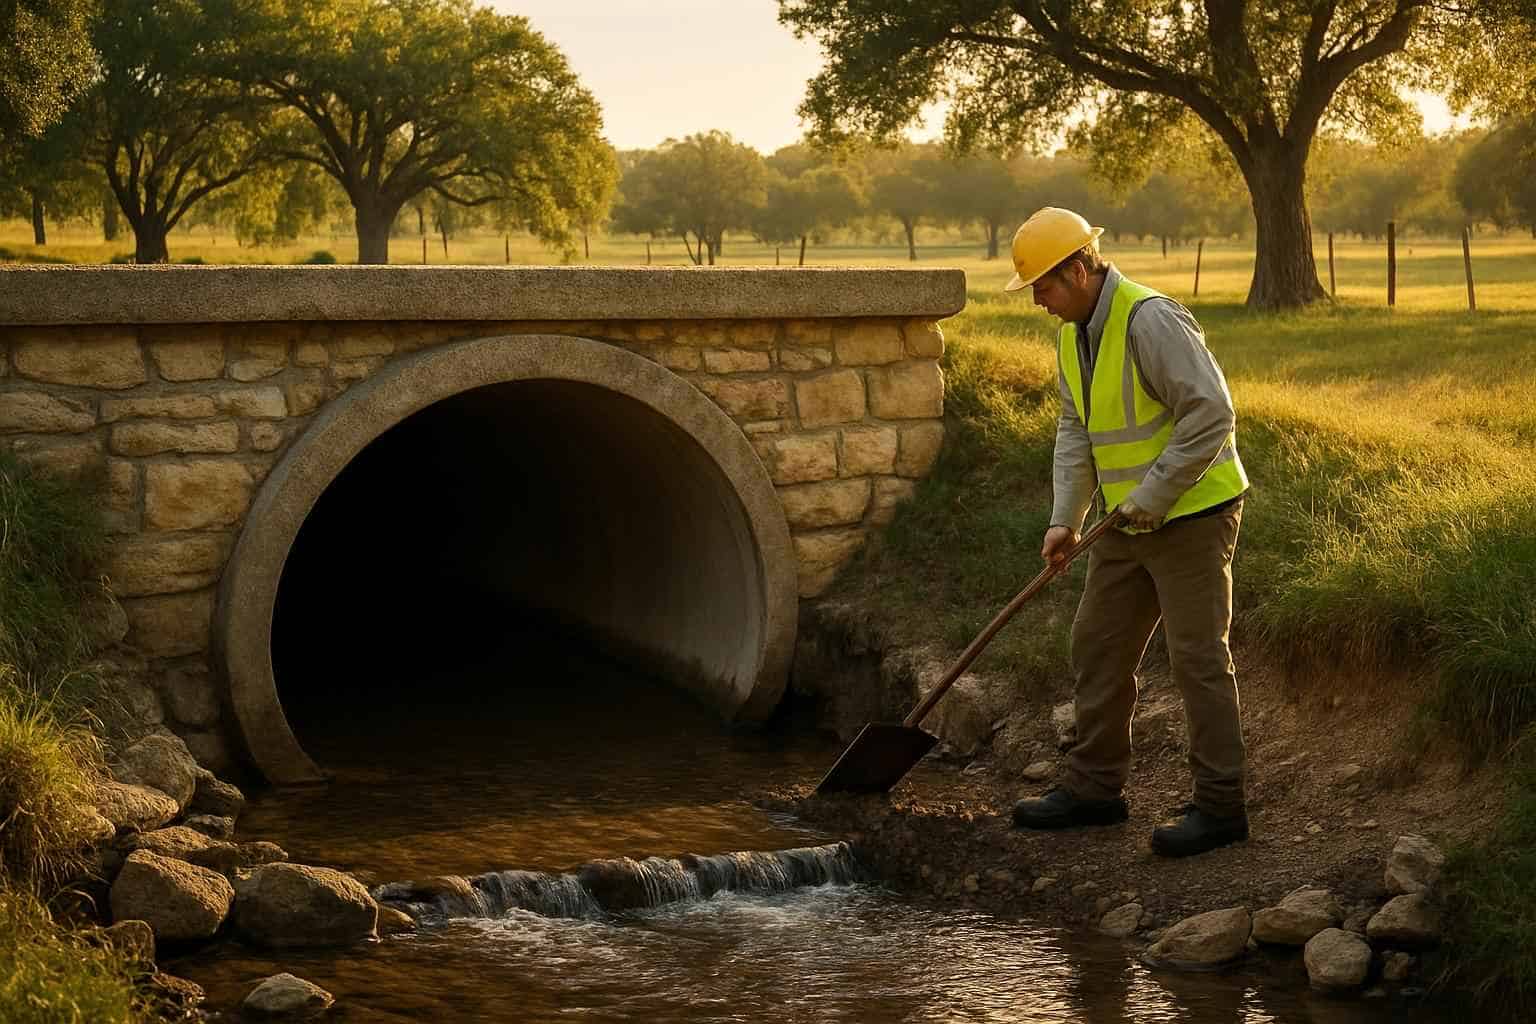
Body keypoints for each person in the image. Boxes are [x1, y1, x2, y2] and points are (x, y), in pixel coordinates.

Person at [1005, 207, 1250, 858]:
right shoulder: (1071, 335)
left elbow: (1213, 412)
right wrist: (1066, 519)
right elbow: (1075, 430)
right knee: (1098, 647)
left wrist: (1154, 494)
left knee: (1197, 659)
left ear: (1081, 269)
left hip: (1194, 514)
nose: (1037, 300)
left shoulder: (1151, 320)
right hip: (1122, 523)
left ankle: (1222, 809)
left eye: (1044, 285)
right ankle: (1093, 791)